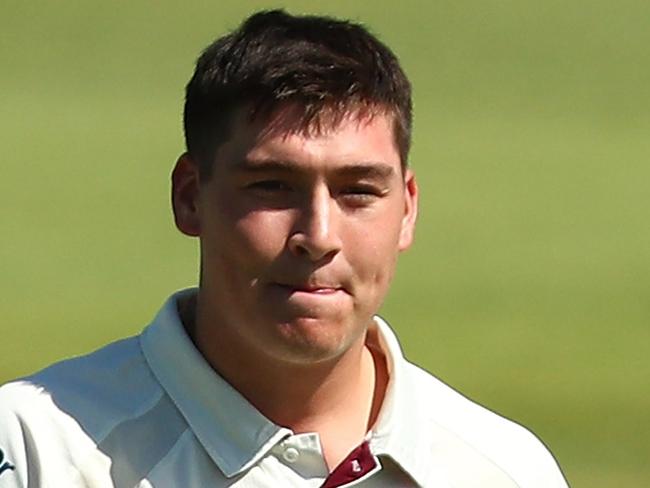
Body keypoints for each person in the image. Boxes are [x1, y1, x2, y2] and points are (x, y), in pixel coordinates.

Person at [0, 10, 568, 488]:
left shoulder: (505, 469)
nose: (318, 235)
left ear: (407, 209)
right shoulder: (35, 448)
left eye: (358, 192)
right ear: (190, 197)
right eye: (272, 186)